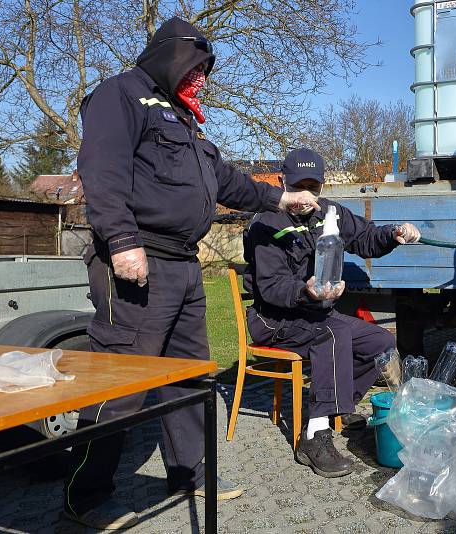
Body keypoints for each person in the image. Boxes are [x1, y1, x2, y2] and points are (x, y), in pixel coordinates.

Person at [65, 17, 320, 530]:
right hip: (139, 260)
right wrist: (121, 241)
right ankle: (83, 497)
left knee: (188, 376)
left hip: (183, 264)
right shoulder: (120, 96)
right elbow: (103, 170)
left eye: (207, 70)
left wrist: (280, 196)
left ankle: (190, 475)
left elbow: (224, 179)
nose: (202, 79)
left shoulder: (183, 117)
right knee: (123, 381)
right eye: (196, 67)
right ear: (170, 56)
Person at [243, 148, 421, 478]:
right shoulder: (266, 224)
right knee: (333, 334)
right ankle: (314, 438)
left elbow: (366, 237)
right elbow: (270, 286)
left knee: (380, 342)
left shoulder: (329, 212)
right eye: (298, 187)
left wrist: (393, 234)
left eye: (314, 187)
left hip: (314, 315)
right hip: (274, 319)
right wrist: (306, 290)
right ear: (283, 183)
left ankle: (333, 407)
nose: (306, 196)